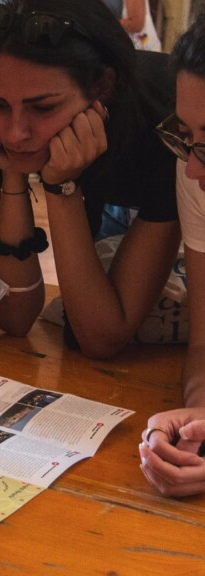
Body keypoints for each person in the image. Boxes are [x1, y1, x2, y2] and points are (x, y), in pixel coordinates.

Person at [0, 0, 180, 358]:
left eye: (43, 107)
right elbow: (14, 317)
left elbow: (102, 337)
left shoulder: (167, 129)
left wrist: (61, 188)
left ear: (103, 87)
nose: (16, 133)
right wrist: (12, 173)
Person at [139, 13, 205, 497]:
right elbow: (203, 346)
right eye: (187, 135)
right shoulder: (193, 170)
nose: (194, 171)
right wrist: (197, 417)